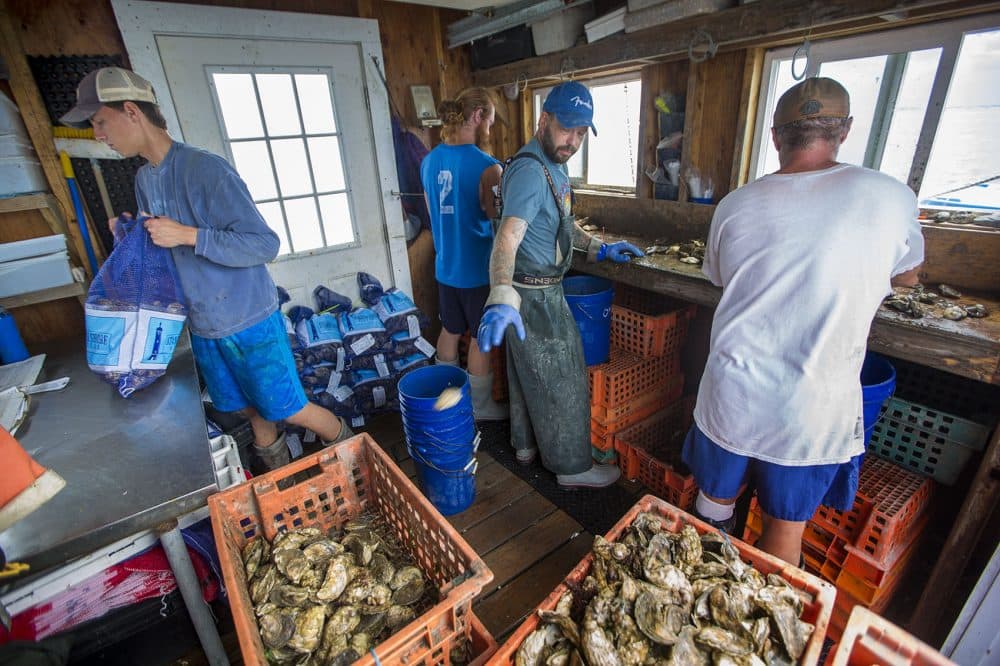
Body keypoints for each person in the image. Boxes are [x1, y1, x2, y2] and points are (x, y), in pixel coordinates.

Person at [61, 67, 354, 471]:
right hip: (203, 325)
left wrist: (187, 234)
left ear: (131, 111)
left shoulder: (206, 170)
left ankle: (356, 454)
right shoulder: (145, 179)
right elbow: (162, 247)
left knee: (289, 408)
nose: (98, 135)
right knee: (250, 411)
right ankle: (282, 483)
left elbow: (264, 244)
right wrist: (130, 234)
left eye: (99, 122)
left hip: (249, 320)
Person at [681, 77, 924, 564]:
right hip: (811, 407)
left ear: (775, 137)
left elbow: (721, 277)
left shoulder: (735, 204)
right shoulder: (892, 197)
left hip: (734, 391)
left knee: (709, 512)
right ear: (846, 131)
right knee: (783, 533)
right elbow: (909, 277)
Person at [478, 81, 644, 489]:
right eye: (566, 129)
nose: (573, 141)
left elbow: (562, 224)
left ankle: (526, 447)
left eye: (582, 133)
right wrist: (500, 293)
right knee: (564, 377)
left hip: (532, 289)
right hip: (536, 294)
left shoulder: (550, 161)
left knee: (527, 373)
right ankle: (573, 468)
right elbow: (508, 238)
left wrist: (598, 248)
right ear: (544, 120)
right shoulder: (533, 172)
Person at [419, 88, 507, 421]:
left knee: (450, 330)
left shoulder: (428, 161)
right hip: (476, 270)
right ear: (477, 117)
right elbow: (496, 217)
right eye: (490, 121)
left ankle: (448, 400)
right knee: (480, 338)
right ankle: (481, 407)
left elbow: (432, 213)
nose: (490, 129)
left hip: (445, 267)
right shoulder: (489, 167)